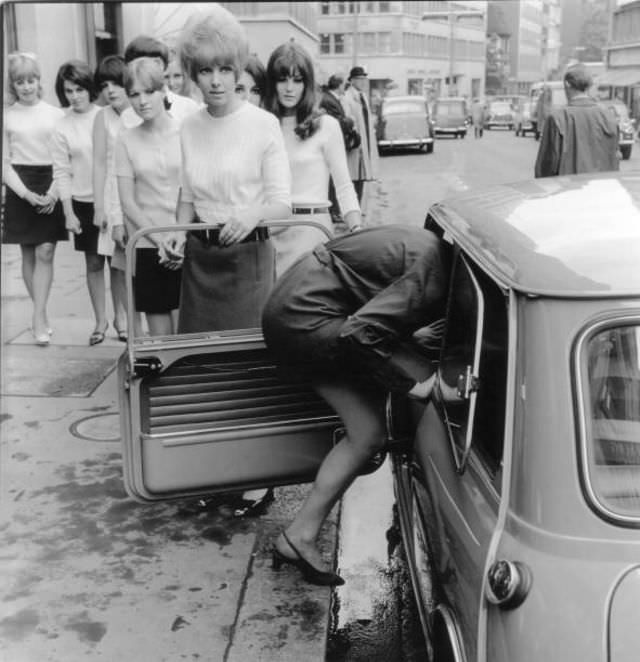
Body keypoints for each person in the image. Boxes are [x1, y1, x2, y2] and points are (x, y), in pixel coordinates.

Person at [262, 225, 449, 586]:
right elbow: (361, 333)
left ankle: (298, 536)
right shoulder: (438, 275)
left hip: (295, 308)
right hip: (307, 317)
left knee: (367, 434)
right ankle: (434, 516)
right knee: (424, 380)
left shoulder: (436, 252)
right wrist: (421, 386)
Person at [161, 4, 291, 333]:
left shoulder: (264, 124)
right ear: (193, 74)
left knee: (246, 362)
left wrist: (251, 215)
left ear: (237, 69)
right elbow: (188, 197)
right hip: (200, 258)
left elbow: (283, 206)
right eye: (205, 70)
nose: (216, 81)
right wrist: (177, 234)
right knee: (200, 359)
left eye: (225, 69)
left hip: (249, 258)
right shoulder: (189, 126)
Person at [264, 42, 361, 276]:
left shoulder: (326, 125)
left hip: (312, 231)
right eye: (282, 79)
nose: (289, 88)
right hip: (270, 232)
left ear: (307, 84)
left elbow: (344, 186)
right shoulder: (263, 125)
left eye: (297, 80)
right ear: (272, 83)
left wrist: (357, 230)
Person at [2, 52, 67, 345]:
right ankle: (40, 315)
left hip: (50, 179)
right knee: (29, 253)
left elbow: (64, 158)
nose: (26, 87)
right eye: (20, 82)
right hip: (20, 185)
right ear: (12, 85)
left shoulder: (55, 114)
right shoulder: (7, 116)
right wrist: (26, 194)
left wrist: (53, 192)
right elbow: (4, 163)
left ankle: (38, 316)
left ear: (39, 80)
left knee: (46, 251)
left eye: (31, 80)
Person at [115, 57, 182, 337]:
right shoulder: (126, 139)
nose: (142, 101)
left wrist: (179, 237)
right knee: (160, 331)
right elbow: (127, 201)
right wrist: (158, 240)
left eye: (148, 91)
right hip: (147, 242)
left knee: (188, 327)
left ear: (163, 89)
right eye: (134, 94)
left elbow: (194, 190)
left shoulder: (187, 131)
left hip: (185, 239)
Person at [50, 60, 107, 345]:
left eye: (80, 89)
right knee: (94, 263)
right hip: (83, 202)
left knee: (119, 266)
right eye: (69, 90)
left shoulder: (106, 116)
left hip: (110, 200)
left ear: (90, 88)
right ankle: (100, 322)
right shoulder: (61, 126)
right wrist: (69, 213)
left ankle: (123, 322)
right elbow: (62, 172)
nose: (75, 96)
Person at [92, 55, 136, 341]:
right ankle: (122, 319)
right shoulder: (102, 116)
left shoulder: (139, 110)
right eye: (105, 85)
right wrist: (99, 207)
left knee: (140, 261)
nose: (111, 91)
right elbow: (98, 162)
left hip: (136, 190)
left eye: (116, 84)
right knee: (117, 262)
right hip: (110, 193)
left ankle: (142, 317)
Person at [534, 64, 619, 178]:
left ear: (567, 84)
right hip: (603, 189)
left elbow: (546, 166)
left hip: (569, 191)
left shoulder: (557, 118)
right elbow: (615, 158)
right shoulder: (608, 116)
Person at [123, 35, 201, 123]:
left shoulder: (188, 107)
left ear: (164, 66)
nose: (145, 70)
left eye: (156, 63)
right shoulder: (127, 116)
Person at [319, 73, 361, 224]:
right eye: (344, 84)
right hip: (332, 144)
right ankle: (334, 211)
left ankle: (336, 211)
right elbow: (337, 123)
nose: (346, 87)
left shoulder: (332, 99)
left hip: (337, 143)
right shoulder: (328, 100)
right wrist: (350, 121)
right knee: (333, 181)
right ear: (338, 85)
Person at [342, 66, 379, 205]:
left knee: (362, 176)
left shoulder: (363, 96)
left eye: (364, 79)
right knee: (354, 177)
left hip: (365, 141)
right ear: (352, 81)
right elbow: (348, 120)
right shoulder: (347, 98)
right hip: (356, 143)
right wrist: (355, 135)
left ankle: (358, 206)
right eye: (359, 79)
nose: (363, 82)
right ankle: (353, 207)